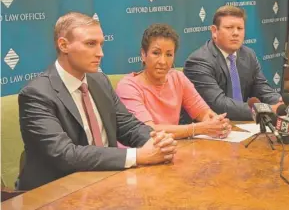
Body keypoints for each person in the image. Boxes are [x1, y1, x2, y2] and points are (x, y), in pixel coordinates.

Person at [17, 12, 177, 190]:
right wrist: (138, 155)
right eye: (90, 44)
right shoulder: (37, 94)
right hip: (54, 192)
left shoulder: (99, 81)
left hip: (105, 183)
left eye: (101, 44)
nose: (100, 53)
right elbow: (64, 154)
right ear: (64, 45)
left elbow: (128, 126)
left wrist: (157, 141)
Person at [116, 24, 232, 139]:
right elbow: (148, 131)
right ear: (143, 54)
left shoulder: (178, 78)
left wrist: (218, 124)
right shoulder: (128, 86)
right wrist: (199, 129)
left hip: (171, 149)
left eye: (169, 55)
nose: (163, 61)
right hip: (139, 153)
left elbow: (204, 113)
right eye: (156, 53)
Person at [183, 5, 283, 121]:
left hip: (243, 125)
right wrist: (267, 109)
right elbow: (218, 104)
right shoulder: (199, 61)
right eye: (229, 28)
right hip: (210, 129)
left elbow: (262, 88)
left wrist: (280, 103)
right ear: (214, 31)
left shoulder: (248, 54)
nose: (236, 33)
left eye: (240, 28)